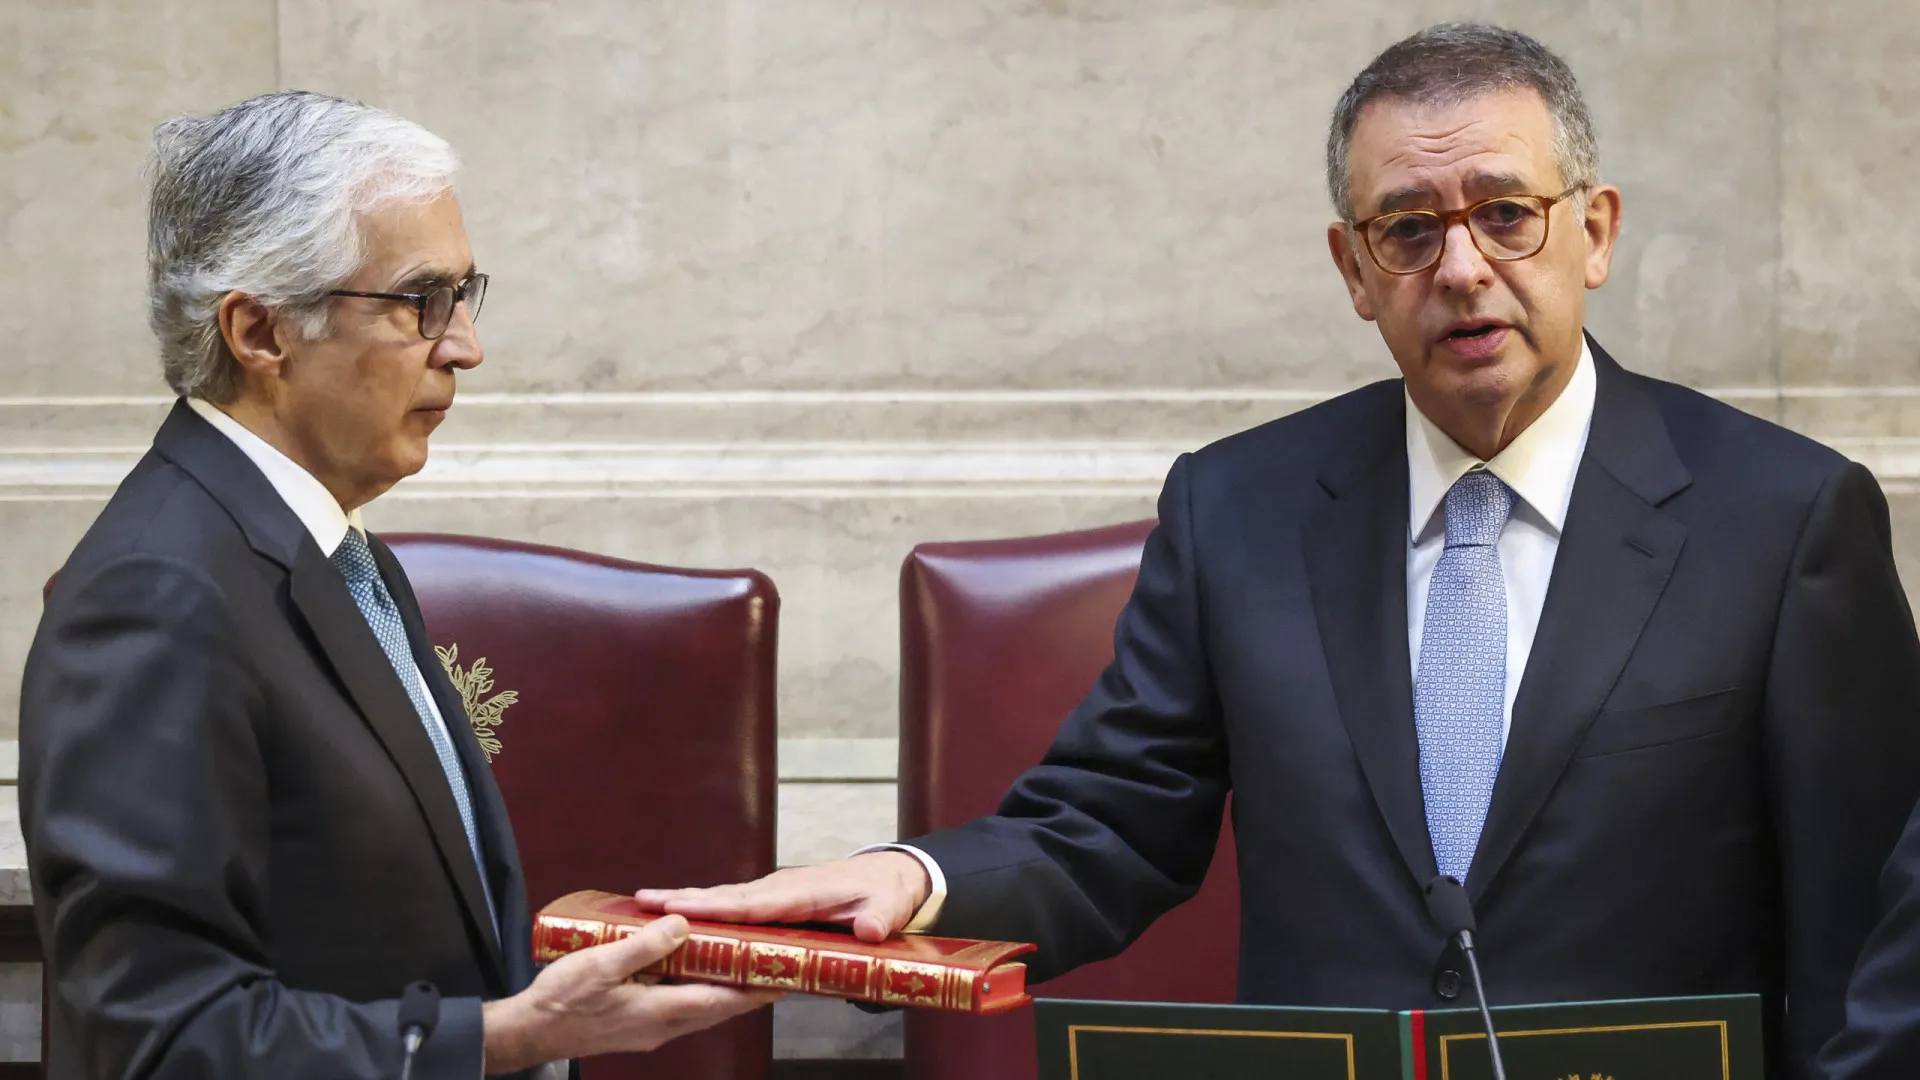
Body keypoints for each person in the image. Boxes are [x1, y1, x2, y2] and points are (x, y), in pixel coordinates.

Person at [637, 24, 1920, 1077]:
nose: (1462, 266)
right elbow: (1110, 822)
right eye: (1408, 229)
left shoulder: (1785, 518)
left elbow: (1870, 932)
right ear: (1354, 271)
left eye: (1507, 215)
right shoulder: (1239, 510)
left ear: (1595, 231)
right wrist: (909, 876)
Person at [19, 91, 779, 1079]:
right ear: (259, 332)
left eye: (466, 296)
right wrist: (514, 1038)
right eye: (420, 301)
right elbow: (159, 1040)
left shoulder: (327, 546)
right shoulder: (157, 598)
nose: (464, 345)